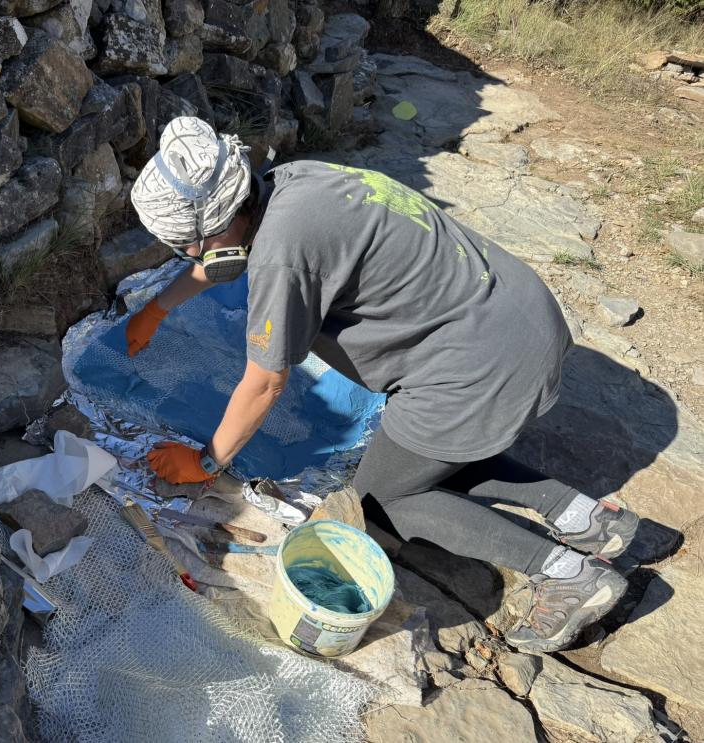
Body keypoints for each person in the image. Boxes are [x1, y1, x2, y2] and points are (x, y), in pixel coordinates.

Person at [126, 116, 639, 653]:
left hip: (479, 368)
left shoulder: (281, 253)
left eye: (188, 244)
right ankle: (588, 518)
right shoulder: (290, 184)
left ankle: (567, 575)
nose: (190, 255)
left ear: (221, 218)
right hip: (517, 316)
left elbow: (264, 383)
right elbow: (225, 255)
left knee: (379, 501)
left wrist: (207, 462)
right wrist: (157, 309)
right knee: (419, 456)